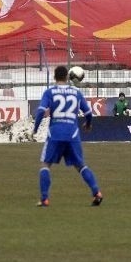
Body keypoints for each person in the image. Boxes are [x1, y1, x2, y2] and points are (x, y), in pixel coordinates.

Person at [33, 65, 103, 207]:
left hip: (55, 134)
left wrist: (35, 128)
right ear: (67, 77)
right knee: (80, 166)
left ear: (54, 77)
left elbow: (41, 111)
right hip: (73, 134)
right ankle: (97, 193)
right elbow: (89, 113)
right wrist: (88, 124)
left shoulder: (50, 92)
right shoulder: (76, 92)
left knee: (45, 165)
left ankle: (44, 198)